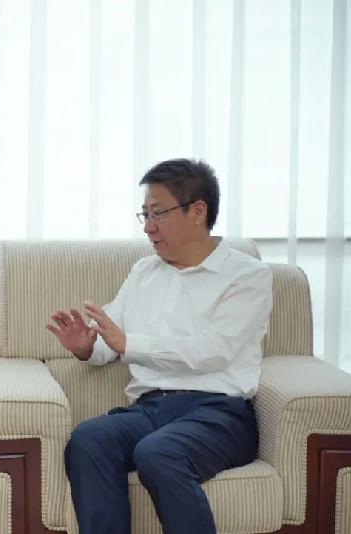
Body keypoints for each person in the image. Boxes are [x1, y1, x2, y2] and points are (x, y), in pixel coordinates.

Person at [47, 159, 272, 534]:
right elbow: (110, 340)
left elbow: (213, 350)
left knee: (158, 453)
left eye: (158, 214)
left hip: (219, 415)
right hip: (150, 409)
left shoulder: (247, 276)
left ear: (197, 211)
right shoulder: (144, 272)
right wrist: (86, 346)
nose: (148, 227)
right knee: (89, 439)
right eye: (145, 215)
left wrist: (128, 342)